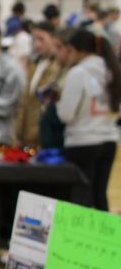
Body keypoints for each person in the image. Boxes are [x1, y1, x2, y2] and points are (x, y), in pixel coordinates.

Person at [55, 28, 121, 210]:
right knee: (100, 197)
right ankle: (106, 239)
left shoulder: (78, 73)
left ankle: (80, 239)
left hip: (82, 142)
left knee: (81, 200)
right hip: (108, 140)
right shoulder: (112, 70)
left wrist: (57, 103)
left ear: (74, 50)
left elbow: (66, 115)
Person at [15, 21, 64, 147]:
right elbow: (24, 101)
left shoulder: (59, 68)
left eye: (41, 39)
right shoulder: (32, 64)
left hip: (45, 135)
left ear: (54, 39)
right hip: (25, 135)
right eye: (34, 40)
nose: (37, 44)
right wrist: (18, 133)